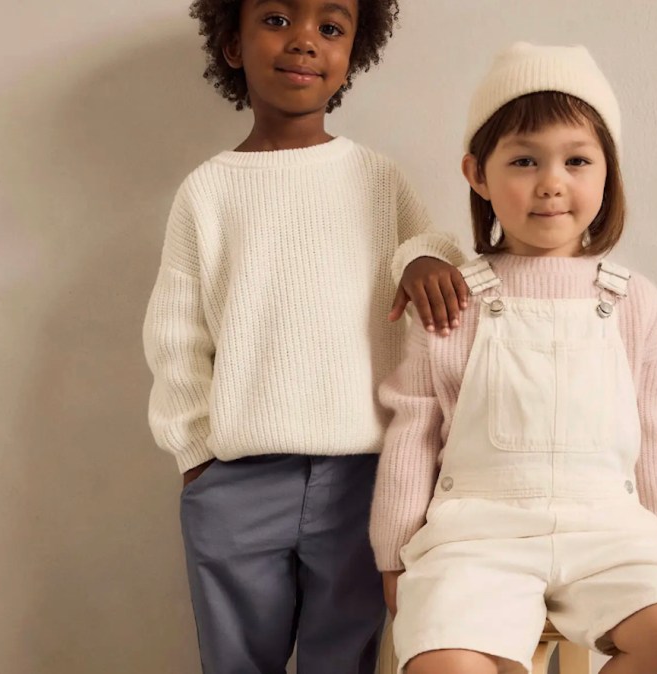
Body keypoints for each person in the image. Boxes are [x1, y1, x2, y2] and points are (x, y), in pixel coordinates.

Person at [370, 42, 657, 674]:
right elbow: (413, 430)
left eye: (577, 160)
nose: (552, 182)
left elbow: (655, 435)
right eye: (524, 160)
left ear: (607, 171)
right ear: (477, 174)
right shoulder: (456, 298)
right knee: (444, 665)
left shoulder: (634, 302)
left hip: (610, 533)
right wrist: (392, 555)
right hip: (477, 539)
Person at [142, 1, 467, 672]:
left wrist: (424, 258)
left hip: (363, 482)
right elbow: (177, 336)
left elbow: (429, 250)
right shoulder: (207, 192)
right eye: (277, 19)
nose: (304, 43)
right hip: (236, 480)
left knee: (342, 660)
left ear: (353, 53)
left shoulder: (378, 178)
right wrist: (198, 457)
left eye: (330, 27)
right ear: (233, 43)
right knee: (238, 662)